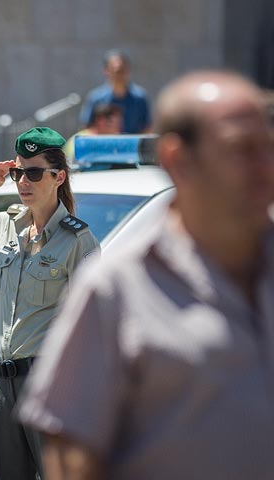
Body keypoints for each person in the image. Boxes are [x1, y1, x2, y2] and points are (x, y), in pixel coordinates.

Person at [18, 71, 274, 480]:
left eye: (268, 147)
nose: (265, 166)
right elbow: (70, 455)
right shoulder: (115, 287)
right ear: (178, 160)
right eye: (241, 150)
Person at [0, 126, 101, 479]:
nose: (22, 181)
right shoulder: (3, 226)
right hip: (1, 384)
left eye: (32, 172)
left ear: (58, 176)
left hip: (48, 383)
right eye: (17, 172)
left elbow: (91, 326)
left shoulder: (78, 240)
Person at [80, 49, 151, 134]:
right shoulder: (96, 98)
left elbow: (147, 127)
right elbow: (86, 127)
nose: (120, 75)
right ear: (106, 71)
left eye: (123, 70)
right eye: (117, 71)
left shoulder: (140, 97)